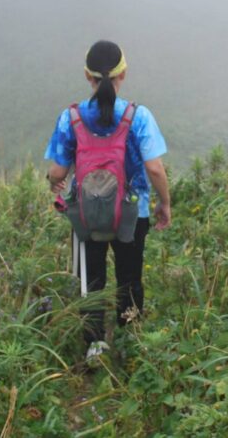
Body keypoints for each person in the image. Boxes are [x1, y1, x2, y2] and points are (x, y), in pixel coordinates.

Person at [44, 40, 171, 360]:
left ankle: (94, 346)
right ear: (123, 74)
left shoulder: (70, 118)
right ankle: (130, 344)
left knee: (93, 279)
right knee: (130, 278)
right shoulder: (138, 116)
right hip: (132, 212)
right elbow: (155, 168)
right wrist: (164, 203)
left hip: (87, 214)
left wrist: (54, 183)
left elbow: (58, 171)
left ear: (88, 76)